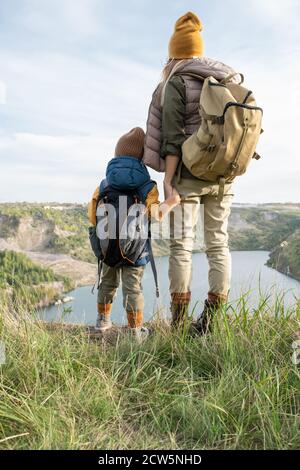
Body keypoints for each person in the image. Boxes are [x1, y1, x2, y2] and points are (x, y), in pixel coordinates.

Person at [144, 11, 237, 332]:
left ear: (174, 53)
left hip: (188, 176)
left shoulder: (177, 82)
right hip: (223, 176)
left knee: (182, 247)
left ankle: (180, 324)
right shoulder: (223, 80)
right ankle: (211, 321)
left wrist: (169, 182)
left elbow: (171, 139)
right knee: (218, 245)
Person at [88, 127, 159, 340]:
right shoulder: (147, 186)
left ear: (117, 154)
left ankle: (102, 322)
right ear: (143, 157)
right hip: (136, 252)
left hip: (107, 247)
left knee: (107, 284)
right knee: (133, 289)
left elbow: (92, 216)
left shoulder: (104, 184)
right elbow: (155, 215)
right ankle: (135, 331)